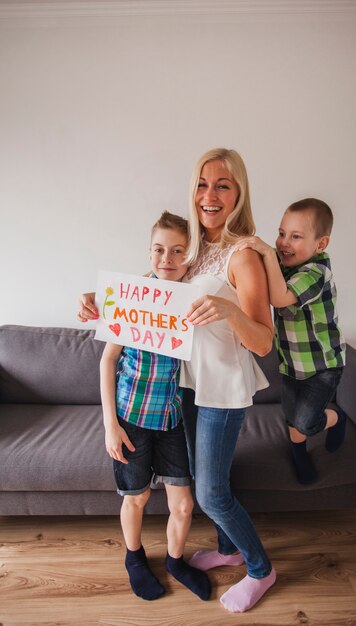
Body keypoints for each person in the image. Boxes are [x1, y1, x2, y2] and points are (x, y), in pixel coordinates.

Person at [78, 148, 277, 613]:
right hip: (184, 387)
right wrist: (97, 299)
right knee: (213, 482)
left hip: (221, 390)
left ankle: (259, 568)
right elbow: (145, 293)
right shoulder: (195, 248)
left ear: (239, 193)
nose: (210, 195)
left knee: (209, 492)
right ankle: (226, 549)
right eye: (202, 184)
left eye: (223, 185)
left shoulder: (243, 254)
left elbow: (264, 343)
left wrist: (229, 310)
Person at [99, 211, 211, 603]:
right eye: (160, 249)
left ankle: (177, 561)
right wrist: (111, 425)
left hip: (173, 420)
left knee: (183, 504)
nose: (168, 258)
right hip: (131, 418)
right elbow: (107, 360)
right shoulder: (132, 295)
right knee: (138, 497)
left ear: (190, 256)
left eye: (178, 250)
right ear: (149, 252)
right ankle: (134, 557)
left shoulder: (195, 297)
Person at [236, 198, 347, 485]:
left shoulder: (316, 273)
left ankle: (335, 419)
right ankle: (298, 451)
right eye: (282, 233)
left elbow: (279, 297)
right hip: (290, 364)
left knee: (307, 421)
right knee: (291, 415)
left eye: (296, 236)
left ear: (320, 244)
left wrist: (266, 253)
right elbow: (259, 266)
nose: (284, 242)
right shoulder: (285, 262)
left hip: (322, 366)